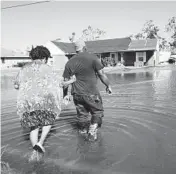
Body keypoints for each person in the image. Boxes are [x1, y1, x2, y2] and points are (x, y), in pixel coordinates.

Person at [14, 46, 75, 161]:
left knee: (34, 127)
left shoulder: (24, 69)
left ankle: (35, 151)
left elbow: (16, 85)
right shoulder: (48, 68)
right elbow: (61, 83)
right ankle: (40, 142)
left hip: (29, 103)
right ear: (43, 57)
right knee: (49, 120)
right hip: (45, 102)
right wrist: (72, 80)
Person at [62, 39, 112, 141]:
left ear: (76, 50)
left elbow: (65, 81)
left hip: (76, 94)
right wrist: (108, 85)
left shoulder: (69, 62)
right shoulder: (93, 58)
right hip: (91, 93)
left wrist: (65, 95)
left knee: (82, 115)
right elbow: (101, 74)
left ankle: (82, 133)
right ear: (85, 47)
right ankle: (92, 130)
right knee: (97, 112)